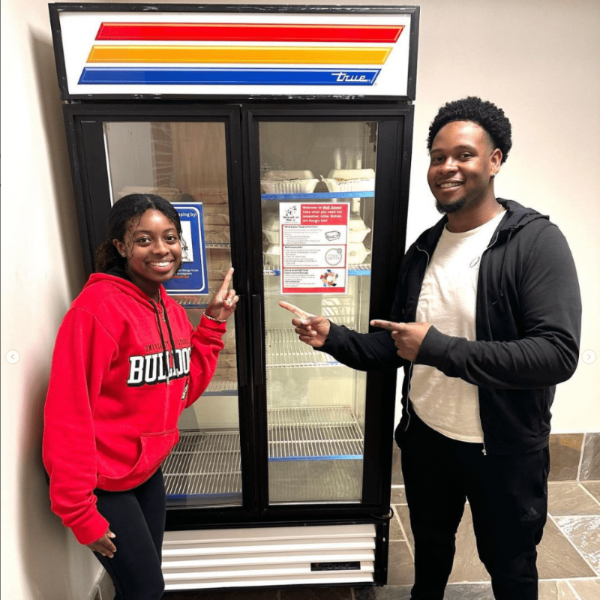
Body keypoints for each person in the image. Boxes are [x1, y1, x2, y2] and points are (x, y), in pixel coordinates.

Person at [280, 97, 581, 600]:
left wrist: (439, 347)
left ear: (495, 159)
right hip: (428, 440)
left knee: (510, 565)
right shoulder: (423, 248)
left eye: (463, 154)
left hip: (503, 451)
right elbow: (397, 348)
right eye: (438, 157)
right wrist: (333, 337)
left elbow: (555, 355)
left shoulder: (536, 243)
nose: (448, 168)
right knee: (432, 550)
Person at [43, 193, 238, 600]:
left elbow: (181, 391)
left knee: (140, 585)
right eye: (144, 240)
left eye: (170, 237)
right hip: (102, 483)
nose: (162, 249)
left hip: (145, 473)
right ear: (120, 246)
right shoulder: (96, 311)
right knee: (146, 588)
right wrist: (80, 512)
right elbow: (68, 414)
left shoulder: (168, 308)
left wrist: (213, 325)